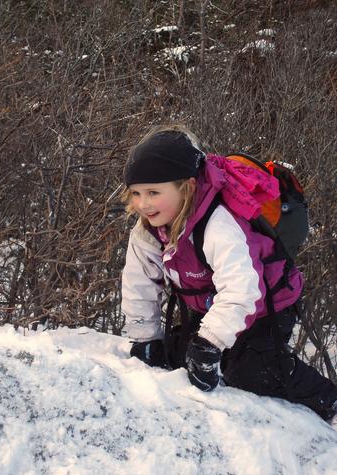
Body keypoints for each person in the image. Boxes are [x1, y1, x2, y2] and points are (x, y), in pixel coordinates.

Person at [121, 124, 337, 421]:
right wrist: (146, 340)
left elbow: (242, 290)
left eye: (154, 192)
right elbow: (139, 282)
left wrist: (209, 344)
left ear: (187, 187)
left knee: (252, 371)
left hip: (266, 306)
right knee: (176, 355)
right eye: (136, 193)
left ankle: (329, 401)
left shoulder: (217, 224)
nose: (143, 204)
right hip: (214, 302)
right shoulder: (148, 230)